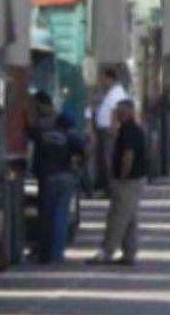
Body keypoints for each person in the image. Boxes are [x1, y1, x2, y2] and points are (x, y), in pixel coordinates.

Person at [90, 100, 147, 266]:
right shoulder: (132, 129)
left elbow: (128, 154)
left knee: (117, 216)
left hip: (128, 180)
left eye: (118, 112)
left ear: (127, 112)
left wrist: (122, 176)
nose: (116, 115)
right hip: (136, 179)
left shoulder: (128, 130)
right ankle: (129, 252)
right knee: (130, 217)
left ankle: (106, 252)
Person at [30, 108, 84, 263]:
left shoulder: (43, 134)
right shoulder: (70, 137)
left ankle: (44, 253)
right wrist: (79, 166)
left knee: (46, 215)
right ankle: (57, 253)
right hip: (65, 176)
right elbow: (84, 150)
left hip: (48, 178)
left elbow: (31, 133)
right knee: (61, 216)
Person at [92, 67, 130, 193]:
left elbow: (116, 112)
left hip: (110, 132)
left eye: (103, 79)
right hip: (105, 131)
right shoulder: (110, 92)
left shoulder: (116, 93)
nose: (102, 81)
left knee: (109, 160)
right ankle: (106, 186)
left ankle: (111, 188)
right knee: (104, 160)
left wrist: (114, 130)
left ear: (110, 79)